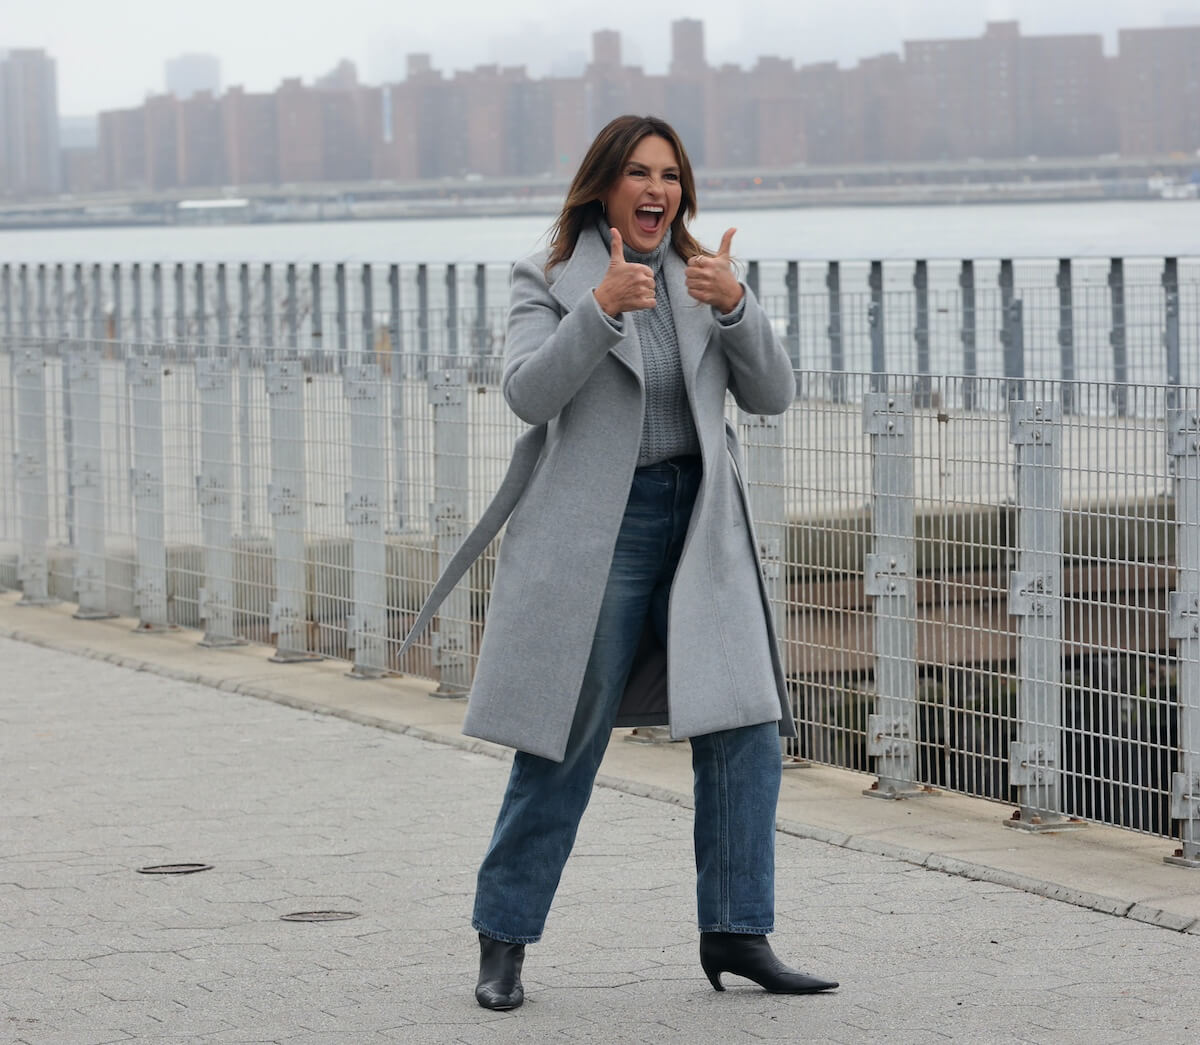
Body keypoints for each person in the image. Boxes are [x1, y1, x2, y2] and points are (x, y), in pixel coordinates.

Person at [397, 114, 838, 1010]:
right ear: (604, 186)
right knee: (565, 734)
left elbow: (774, 395)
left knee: (745, 727)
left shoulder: (701, 274)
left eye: (670, 175)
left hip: (702, 524)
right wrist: (598, 311)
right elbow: (527, 394)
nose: (657, 189)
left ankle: (738, 929)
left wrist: (737, 307)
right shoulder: (551, 278)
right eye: (638, 173)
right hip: (601, 530)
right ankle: (504, 937)